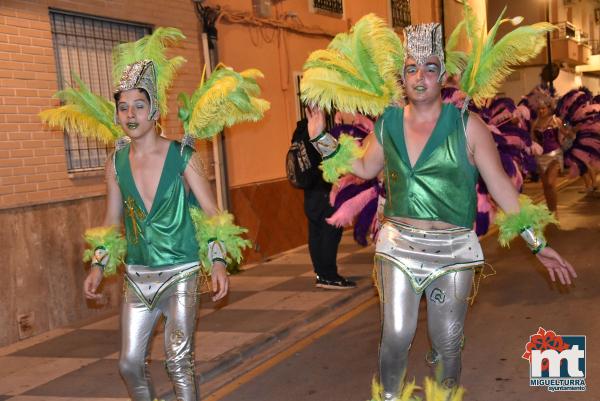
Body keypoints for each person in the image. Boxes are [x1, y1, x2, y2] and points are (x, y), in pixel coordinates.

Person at [304, 21, 576, 399]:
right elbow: (365, 168)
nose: (420, 77)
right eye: (412, 68)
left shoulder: (468, 126)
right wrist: (321, 138)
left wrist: (538, 244)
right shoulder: (388, 123)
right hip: (398, 245)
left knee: (447, 343)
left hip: (454, 250)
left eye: (430, 68)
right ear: (402, 75)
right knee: (396, 335)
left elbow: (501, 189)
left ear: (442, 75)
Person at [40, 28, 265, 401]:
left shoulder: (185, 157)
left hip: (181, 271)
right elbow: (112, 223)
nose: (131, 114)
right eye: (123, 107)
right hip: (137, 277)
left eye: (139, 106)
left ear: (155, 110)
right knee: (129, 364)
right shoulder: (114, 163)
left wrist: (218, 262)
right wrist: (98, 266)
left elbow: (212, 213)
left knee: (178, 360)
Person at [291, 118, 356, 289]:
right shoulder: (317, 131)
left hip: (310, 191)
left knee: (316, 232)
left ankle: (321, 273)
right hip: (324, 188)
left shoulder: (299, 133)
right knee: (330, 232)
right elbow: (329, 159)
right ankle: (329, 275)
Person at [530, 97, 570, 214]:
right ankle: (551, 210)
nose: (541, 111)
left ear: (548, 108)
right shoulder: (535, 123)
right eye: (539, 109)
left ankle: (554, 210)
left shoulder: (555, 120)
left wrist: (570, 129)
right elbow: (532, 139)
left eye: (543, 108)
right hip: (540, 157)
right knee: (545, 186)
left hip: (554, 155)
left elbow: (566, 133)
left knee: (550, 183)